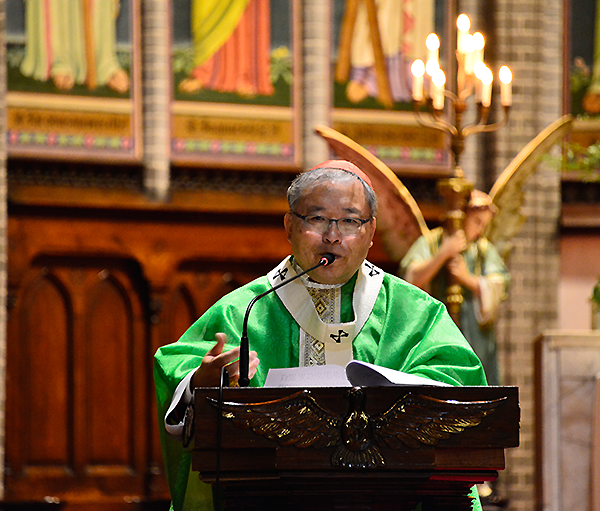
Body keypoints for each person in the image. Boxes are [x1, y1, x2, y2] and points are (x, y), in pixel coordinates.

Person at [154, 160, 487, 511]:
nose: (333, 236)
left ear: (371, 231)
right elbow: (179, 367)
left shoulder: (414, 312)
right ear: (289, 226)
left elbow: (459, 381)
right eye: (316, 219)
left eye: (350, 221)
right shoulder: (246, 310)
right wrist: (199, 383)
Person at [400, 190, 510, 386]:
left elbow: (498, 285)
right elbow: (410, 280)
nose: (480, 230)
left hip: (474, 333)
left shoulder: (482, 250)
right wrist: (444, 253)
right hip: (436, 328)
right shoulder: (432, 242)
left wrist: (467, 279)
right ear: (462, 216)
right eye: (477, 222)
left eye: (484, 225)